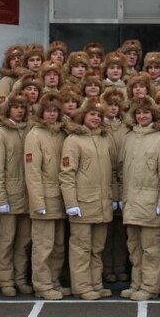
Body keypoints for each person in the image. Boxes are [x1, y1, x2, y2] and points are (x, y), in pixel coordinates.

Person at [120, 96, 160, 301]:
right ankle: (136, 283)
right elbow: (121, 169)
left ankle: (150, 287)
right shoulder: (129, 137)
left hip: (151, 201)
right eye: (139, 113)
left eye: (146, 112)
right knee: (134, 247)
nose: (142, 116)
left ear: (153, 114)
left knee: (150, 248)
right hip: (131, 201)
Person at [61, 98, 115, 299]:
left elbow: (112, 172)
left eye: (99, 115)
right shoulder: (73, 140)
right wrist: (71, 203)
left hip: (102, 205)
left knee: (97, 249)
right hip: (82, 205)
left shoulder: (104, 139)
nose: (96, 118)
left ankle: (96, 284)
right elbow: (67, 174)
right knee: (81, 248)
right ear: (83, 115)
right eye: (92, 114)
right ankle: (82, 286)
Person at [24, 92, 69, 299]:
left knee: (58, 246)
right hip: (44, 199)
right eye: (48, 111)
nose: (52, 115)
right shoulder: (34, 135)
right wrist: (38, 202)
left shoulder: (61, 134)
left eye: (55, 111)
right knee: (43, 245)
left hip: (60, 198)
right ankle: (42, 285)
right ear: (41, 112)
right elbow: (32, 172)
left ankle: (54, 281)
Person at [0, 92, 32, 296]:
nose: (20, 111)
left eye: (23, 107)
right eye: (16, 107)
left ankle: (20, 278)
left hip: (27, 195)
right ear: (8, 109)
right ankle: (5, 280)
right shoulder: (0, 133)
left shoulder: (28, 130)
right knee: (6, 240)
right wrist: (0, 198)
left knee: (23, 242)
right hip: (9, 195)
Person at [101, 88, 130, 282]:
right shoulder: (101, 127)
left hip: (124, 182)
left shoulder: (126, 127)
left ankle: (119, 267)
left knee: (120, 232)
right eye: (109, 105)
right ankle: (107, 269)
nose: (113, 108)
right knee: (106, 232)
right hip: (106, 182)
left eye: (116, 105)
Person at [0, 45, 24, 110]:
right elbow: (0, 105)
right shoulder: (6, 80)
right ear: (9, 63)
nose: (17, 60)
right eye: (13, 59)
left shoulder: (27, 79)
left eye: (19, 58)